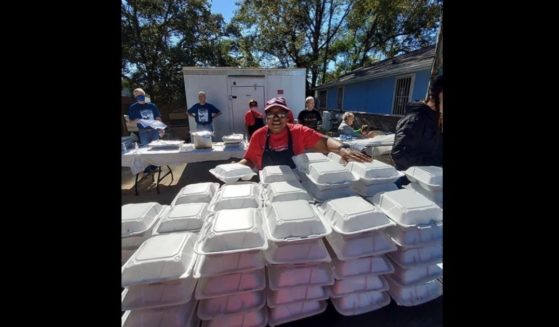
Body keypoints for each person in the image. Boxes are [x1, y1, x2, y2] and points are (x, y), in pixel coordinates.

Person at [238, 97, 371, 170]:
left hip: (299, 185)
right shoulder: (258, 135)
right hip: (269, 189)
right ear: (266, 117)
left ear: (287, 116)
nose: (276, 117)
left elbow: (325, 142)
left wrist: (342, 149)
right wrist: (235, 169)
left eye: (281, 113)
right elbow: (250, 159)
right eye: (271, 114)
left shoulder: (298, 131)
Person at [391, 75, 443, 173]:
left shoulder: (437, 118)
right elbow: (399, 154)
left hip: (434, 178)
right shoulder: (414, 119)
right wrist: (434, 163)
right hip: (410, 180)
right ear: (438, 94)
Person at [127, 87, 164, 173]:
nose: (140, 96)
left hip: (154, 131)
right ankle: (147, 169)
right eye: (137, 95)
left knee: (156, 149)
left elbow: (158, 118)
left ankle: (155, 167)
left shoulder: (152, 105)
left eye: (141, 95)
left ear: (144, 95)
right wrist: (134, 121)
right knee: (145, 151)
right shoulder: (133, 107)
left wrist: (161, 128)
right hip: (143, 132)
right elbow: (130, 121)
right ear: (135, 97)